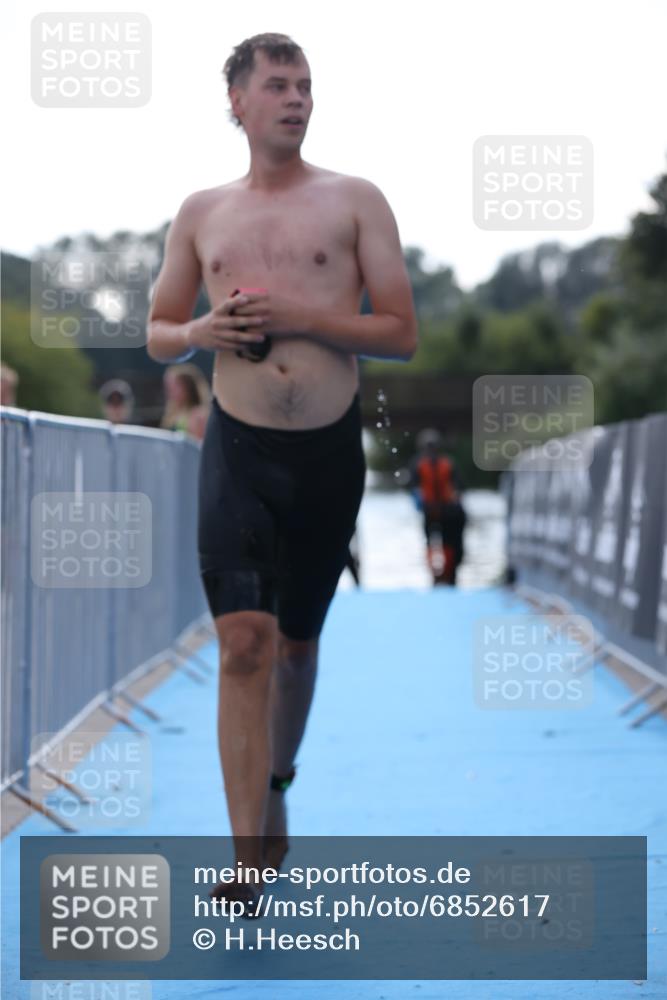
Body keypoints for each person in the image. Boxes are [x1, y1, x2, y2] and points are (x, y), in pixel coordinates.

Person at [145, 33, 417, 917]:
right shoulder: (201, 211)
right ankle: (246, 855)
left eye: (305, 85)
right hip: (237, 446)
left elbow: (400, 332)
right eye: (277, 85)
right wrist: (199, 332)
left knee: (297, 645)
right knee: (244, 643)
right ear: (237, 103)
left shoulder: (354, 199)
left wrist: (299, 313)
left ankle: (281, 778)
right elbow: (157, 328)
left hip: (327, 452)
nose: (296, 98)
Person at [409, 429, 466, 586]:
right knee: (443, 542)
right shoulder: (448, 462)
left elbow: (413, 489)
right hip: (441, 510)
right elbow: (459, 488)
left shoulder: (419, 464)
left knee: (434, 542)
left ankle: (438, 576)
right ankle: (444, 576)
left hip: (437, 511)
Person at [160, 363, 211, 440]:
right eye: (168, 387)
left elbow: (198, 447)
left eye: (174, 386)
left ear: (188, 387)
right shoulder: (172, 413)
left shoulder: (198, 415)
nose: (169, 391)